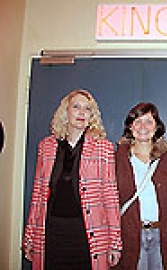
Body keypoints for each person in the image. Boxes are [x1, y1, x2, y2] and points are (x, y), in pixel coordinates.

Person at [22, 89, 122, 270]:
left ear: (92, 115)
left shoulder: (104, 148)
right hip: (51, 231)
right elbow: (38, 195)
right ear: (65, 111)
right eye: (76, 107)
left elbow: (111, 198)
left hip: (87, 232)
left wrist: (115, 242)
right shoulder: (46, 147)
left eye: (87, 109)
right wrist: (29, 235)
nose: (82, 113)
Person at [113, 102, 167, 270]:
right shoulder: (118, 158)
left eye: (149, 121)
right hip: (129, 234)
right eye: (138, 121)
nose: (143, 126)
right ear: (130, 127)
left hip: (162, 234)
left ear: (156, 127)